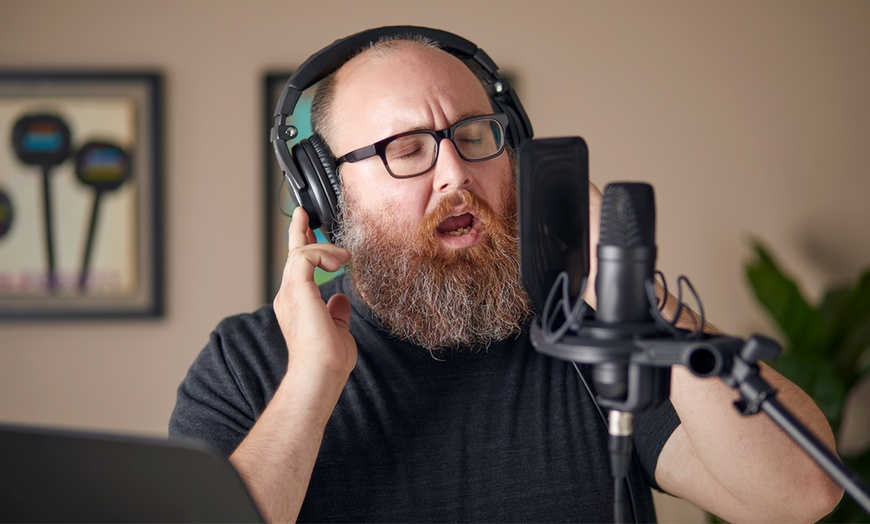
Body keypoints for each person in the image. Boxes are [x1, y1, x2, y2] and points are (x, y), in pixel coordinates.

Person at [169, 27, 844, 523]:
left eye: (474, 136)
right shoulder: (249, 364)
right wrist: (312, 386)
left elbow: (801, 493)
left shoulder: (591, 340)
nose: (456, 173)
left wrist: (632, 295)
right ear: (326, 195)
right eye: (406, 150)